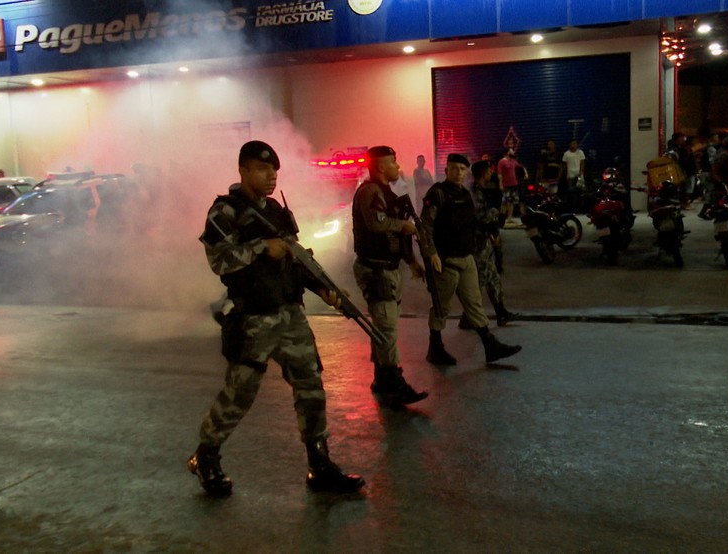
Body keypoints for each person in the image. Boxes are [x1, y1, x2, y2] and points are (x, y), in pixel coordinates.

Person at [189, 140, 364, 497]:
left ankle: (320, 466)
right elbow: (219, 261)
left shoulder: (278, 212)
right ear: (243, 170)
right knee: (240, 394)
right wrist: (260, 248)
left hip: (289, 315)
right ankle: (206, 456)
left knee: (311, 387)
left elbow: (297, 262)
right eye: (262, 169)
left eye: (274, 171)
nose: (271, 176)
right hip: (253, 319)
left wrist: (327, 291)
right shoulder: (225, 212)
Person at [420, 153, 522, 366]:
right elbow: (425, 227)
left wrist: (490, 231)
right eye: (454, 168)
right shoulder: (438, 193)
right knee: (442, 307)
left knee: (474, 304)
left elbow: (472, 222)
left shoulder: (466, 194)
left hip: (466, 258)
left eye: (462, 169)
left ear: (467, 172)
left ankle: (490, 346)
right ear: (447, 170)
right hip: (446, 261)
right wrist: (431, 254)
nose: (458, 172)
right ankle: (435, 348)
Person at [351, 145, 429, 408]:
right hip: (376, 270)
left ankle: (382, 379)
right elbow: (376, 223)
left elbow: (395, 233)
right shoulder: (370, 191)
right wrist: (402, 225)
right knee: (386, 329)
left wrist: (411, 261)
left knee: (385, 326)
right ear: (381, 166)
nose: (398, 166)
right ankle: (393, 382)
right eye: (393, 162)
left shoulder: (387, 192)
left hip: (387, 268)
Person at [459, 161, 516, 328]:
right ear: (484, 173)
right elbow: (480, 216)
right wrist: (496, 212)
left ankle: (501, 313)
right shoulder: (474, 192)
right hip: (477, 243)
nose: (491, 173)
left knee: (492, 279)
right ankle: (467, 318)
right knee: (479, 281)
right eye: (489, 171)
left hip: (484, 241)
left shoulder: (480, 189)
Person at [496, 148, 525, 224]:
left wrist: (525, 172)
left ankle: (509, 218)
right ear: (508, 152)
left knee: (511, 202)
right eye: (512, 150)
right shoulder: (502, 161)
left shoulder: (513, 161)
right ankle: (502, 219)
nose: (513, 152)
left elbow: (520, 167)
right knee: (505, 202)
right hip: (506, 185)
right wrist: (500, 183)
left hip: (514, 184)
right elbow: (499, 174)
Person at [560, 139, 586, 212]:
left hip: (579, 176)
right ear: (570, 144)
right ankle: (573, 208)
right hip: (570, 176)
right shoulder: (566, 154)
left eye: (575, 143)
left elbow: (582, 163)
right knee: (571, 192)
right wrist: (565, 174)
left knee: (581, 192)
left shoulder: (580, 152)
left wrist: (580, 173)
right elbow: (564, 165)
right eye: (573, 143)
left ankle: (581, 208)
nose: (574, 145)